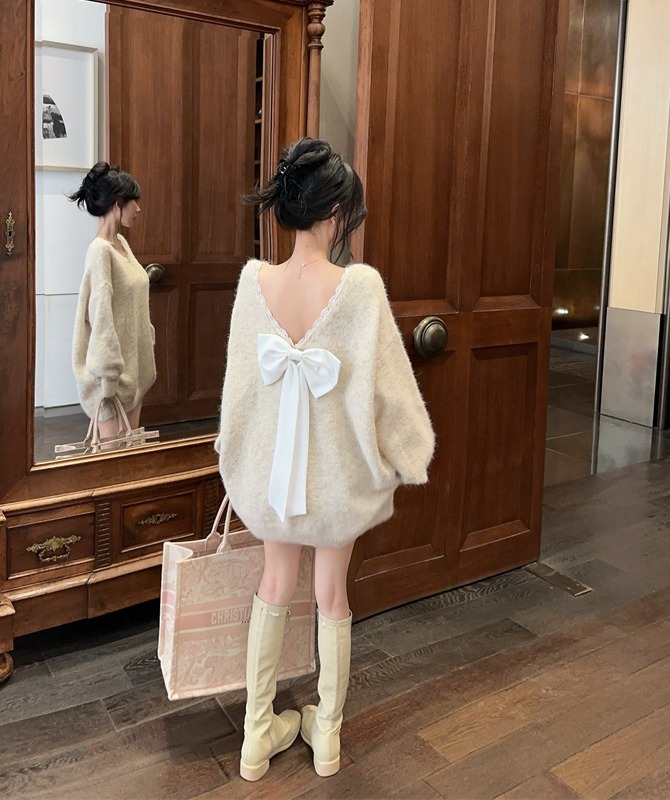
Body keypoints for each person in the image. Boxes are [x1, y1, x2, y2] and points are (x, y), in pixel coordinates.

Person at [215, 138, 435, 781]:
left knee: (274, 583)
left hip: (273, 483)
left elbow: (237, 392)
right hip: (336, 482)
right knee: (331, 593)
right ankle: (328, 737)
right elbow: (390, 389)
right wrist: (410, 455)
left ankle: (256, 738)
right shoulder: (360, 287)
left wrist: (233, 456)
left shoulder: (253, 283)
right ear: (335, 211)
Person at [69, 162, 156, 441]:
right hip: (111, 383)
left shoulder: (121, 244)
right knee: (113, 458)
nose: (138, 209)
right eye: (134, 202)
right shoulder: (99, 251)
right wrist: (107, 380)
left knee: (131, 454)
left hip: (132, 373)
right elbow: (101, 316)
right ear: (118, 204)